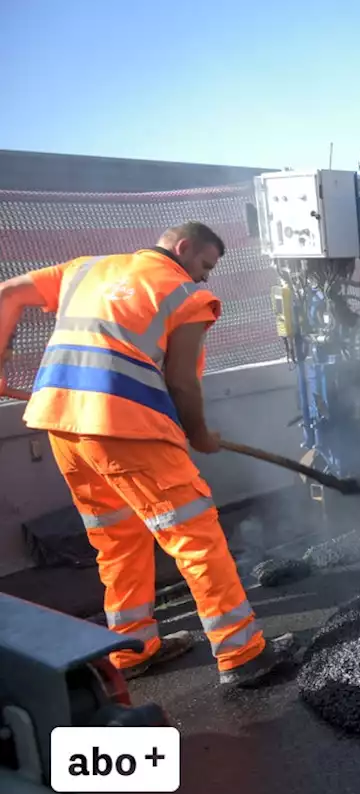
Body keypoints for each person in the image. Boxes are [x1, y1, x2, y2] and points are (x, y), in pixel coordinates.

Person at [0, 222, 299, 689]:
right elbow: (182, 382)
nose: (204, 279)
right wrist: (199, 434)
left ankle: (131, 648)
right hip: (124, 429)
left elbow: (7, 293)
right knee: (195, 536)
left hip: (61, 423)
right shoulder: (184, 296)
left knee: (117, 539)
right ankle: (242, 654)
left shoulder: (86, 269)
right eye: (205, 265)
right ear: (183, 248)